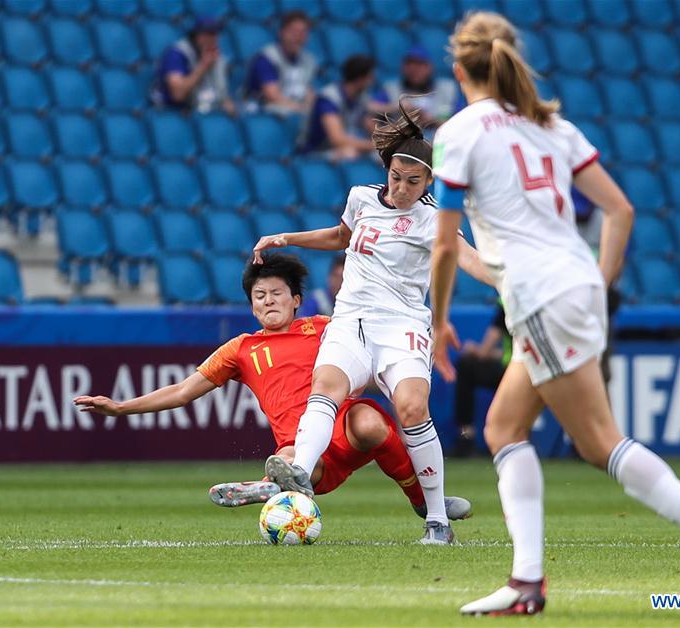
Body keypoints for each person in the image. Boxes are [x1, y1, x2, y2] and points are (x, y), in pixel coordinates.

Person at [428, 12, 680, 616]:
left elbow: (446, 245)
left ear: (458, 69)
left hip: (540, 295)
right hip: (574, 284)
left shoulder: (458, 133)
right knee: (503, 428)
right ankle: (526, 583)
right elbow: (622, 210)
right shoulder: (552, 124)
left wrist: (439, 322)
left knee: (598, 441)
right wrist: (596, 286)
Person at [253, 102, 495, 544]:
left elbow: (470, 261)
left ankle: (437, 520)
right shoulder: (361, 197)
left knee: (411, 409)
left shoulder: (436, 218)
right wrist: (287, 237)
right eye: (396, 178)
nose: (402, 188)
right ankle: (301, 474)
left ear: (430, 180)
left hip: (402, 325)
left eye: (413, 181)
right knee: (326, 385)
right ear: (387, 171)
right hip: (351, 319)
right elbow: (340, 237)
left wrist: (507, 279)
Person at [74, 254, 472, 522]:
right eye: (259, 296)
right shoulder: (241, 349)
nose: (268, 301)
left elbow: (376, 350)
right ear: (251, 306)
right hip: (305, 449)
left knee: (368, 418)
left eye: (276, 294)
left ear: (296, 300)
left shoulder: (326, 327)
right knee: (287, 456)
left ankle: (424, 503)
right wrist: (122, 408)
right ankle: (282, 487)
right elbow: (183, 391)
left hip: (345, 427)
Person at [298, 55, 390, 160]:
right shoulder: (328, 99)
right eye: (370, 77)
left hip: (345, 147)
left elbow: (370, 125)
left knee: (384, 156)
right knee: (349, 154)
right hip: (317, 152)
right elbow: (337, 139)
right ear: (360, 79)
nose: (372, 82)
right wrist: (372, 146)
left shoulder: (360, 98)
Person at [451, 302, 509, 457]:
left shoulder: (509, 303)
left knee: (466, 365)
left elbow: (484, 351)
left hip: (514, 372)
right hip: (531, 369)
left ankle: (466, 436)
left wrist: (474, 349)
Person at [150, 17, 236, 115]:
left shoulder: (215, 57)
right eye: (208, 34)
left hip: (197, 112)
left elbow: (220, 95)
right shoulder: (176, 54)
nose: (213, 39)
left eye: (215, 34)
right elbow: (178, 94)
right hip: (169, 111)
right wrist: (203, 66)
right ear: (196, 36)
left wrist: (228, 106)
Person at [245, 10, 316, 115]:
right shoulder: (266, 59)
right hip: (264, 112)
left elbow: (308, 92)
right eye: (294, 31)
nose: (298, 37)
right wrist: (302, 109)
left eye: (303, 32)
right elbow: (273, 97)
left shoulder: (308, 60)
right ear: (281, 32)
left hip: (294, 111)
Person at [383, 46, 459, 132]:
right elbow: (370, 108)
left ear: (429, 67)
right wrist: (397, 107)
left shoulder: (448, 88)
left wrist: (431, 120)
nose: (414, 70)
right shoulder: (392, 88)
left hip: (440, 140)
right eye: (410, 65)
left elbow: (462, 121)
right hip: (405, 141)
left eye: (419, 65)